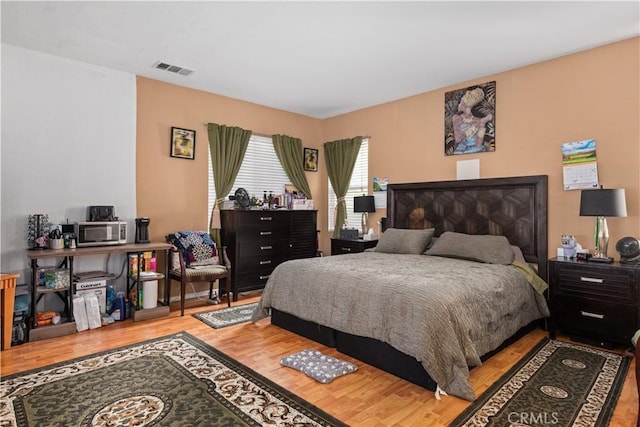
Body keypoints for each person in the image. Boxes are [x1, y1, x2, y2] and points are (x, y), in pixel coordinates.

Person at [452, 87, 493, 154]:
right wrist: (473, 128)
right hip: (461, 150)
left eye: (473, 97)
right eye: (469, 92)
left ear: (476, 102)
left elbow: (478, 144)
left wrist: (482, 124)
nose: (467, 94)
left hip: (475, 151)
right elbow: (458, 139)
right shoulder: (457, 118)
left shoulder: (477, 120)